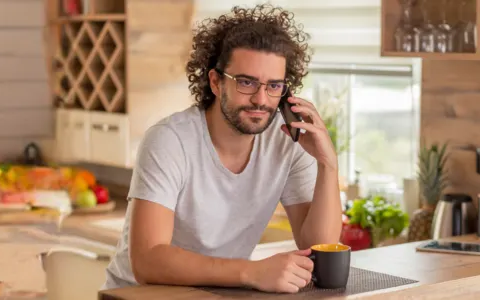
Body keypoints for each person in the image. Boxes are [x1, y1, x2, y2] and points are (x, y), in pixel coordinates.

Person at [102, 4, 343, 293]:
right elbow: (147, 260)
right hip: (138, 296)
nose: (260, 99)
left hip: (219, 291)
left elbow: (317, 247)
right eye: (246, 83)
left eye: (274, 86)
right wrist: (253, 271)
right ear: (215, 82)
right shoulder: (169, 140)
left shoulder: (288, 141)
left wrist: (328, 164)